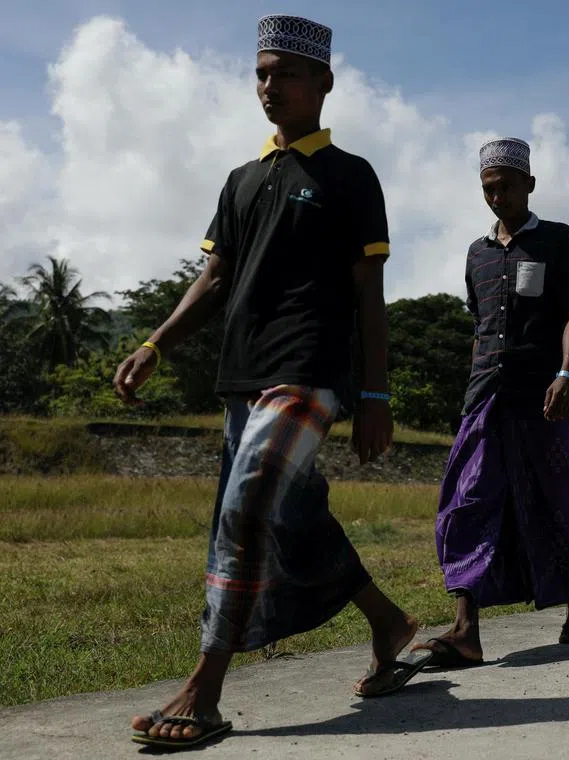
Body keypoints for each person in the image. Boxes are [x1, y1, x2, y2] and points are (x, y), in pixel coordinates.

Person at [115, 15, 423, 748]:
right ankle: (390, 623)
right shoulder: (242, 179)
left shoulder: (350, 176)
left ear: (323, 82)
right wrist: (156, 343)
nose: (269, 86)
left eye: (285, 72)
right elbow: (215, 274)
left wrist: (374, 395)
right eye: (260, 73)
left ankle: (207, 689)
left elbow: (368, 293)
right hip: (241, 375)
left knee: (247, 508)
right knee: (292, 518)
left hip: (309, 371)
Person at [411, 138, 569, 667]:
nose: (497, 197)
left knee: (552, 495)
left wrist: (567, 374)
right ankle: (467, 628)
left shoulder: (558, 240)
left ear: (529, 184)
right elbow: (479, 326)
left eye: (507, 187)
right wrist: (470, 388)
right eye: (488, 189)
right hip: (484, 395)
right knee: (465, 499)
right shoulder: (477, 253)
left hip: (543, 396)